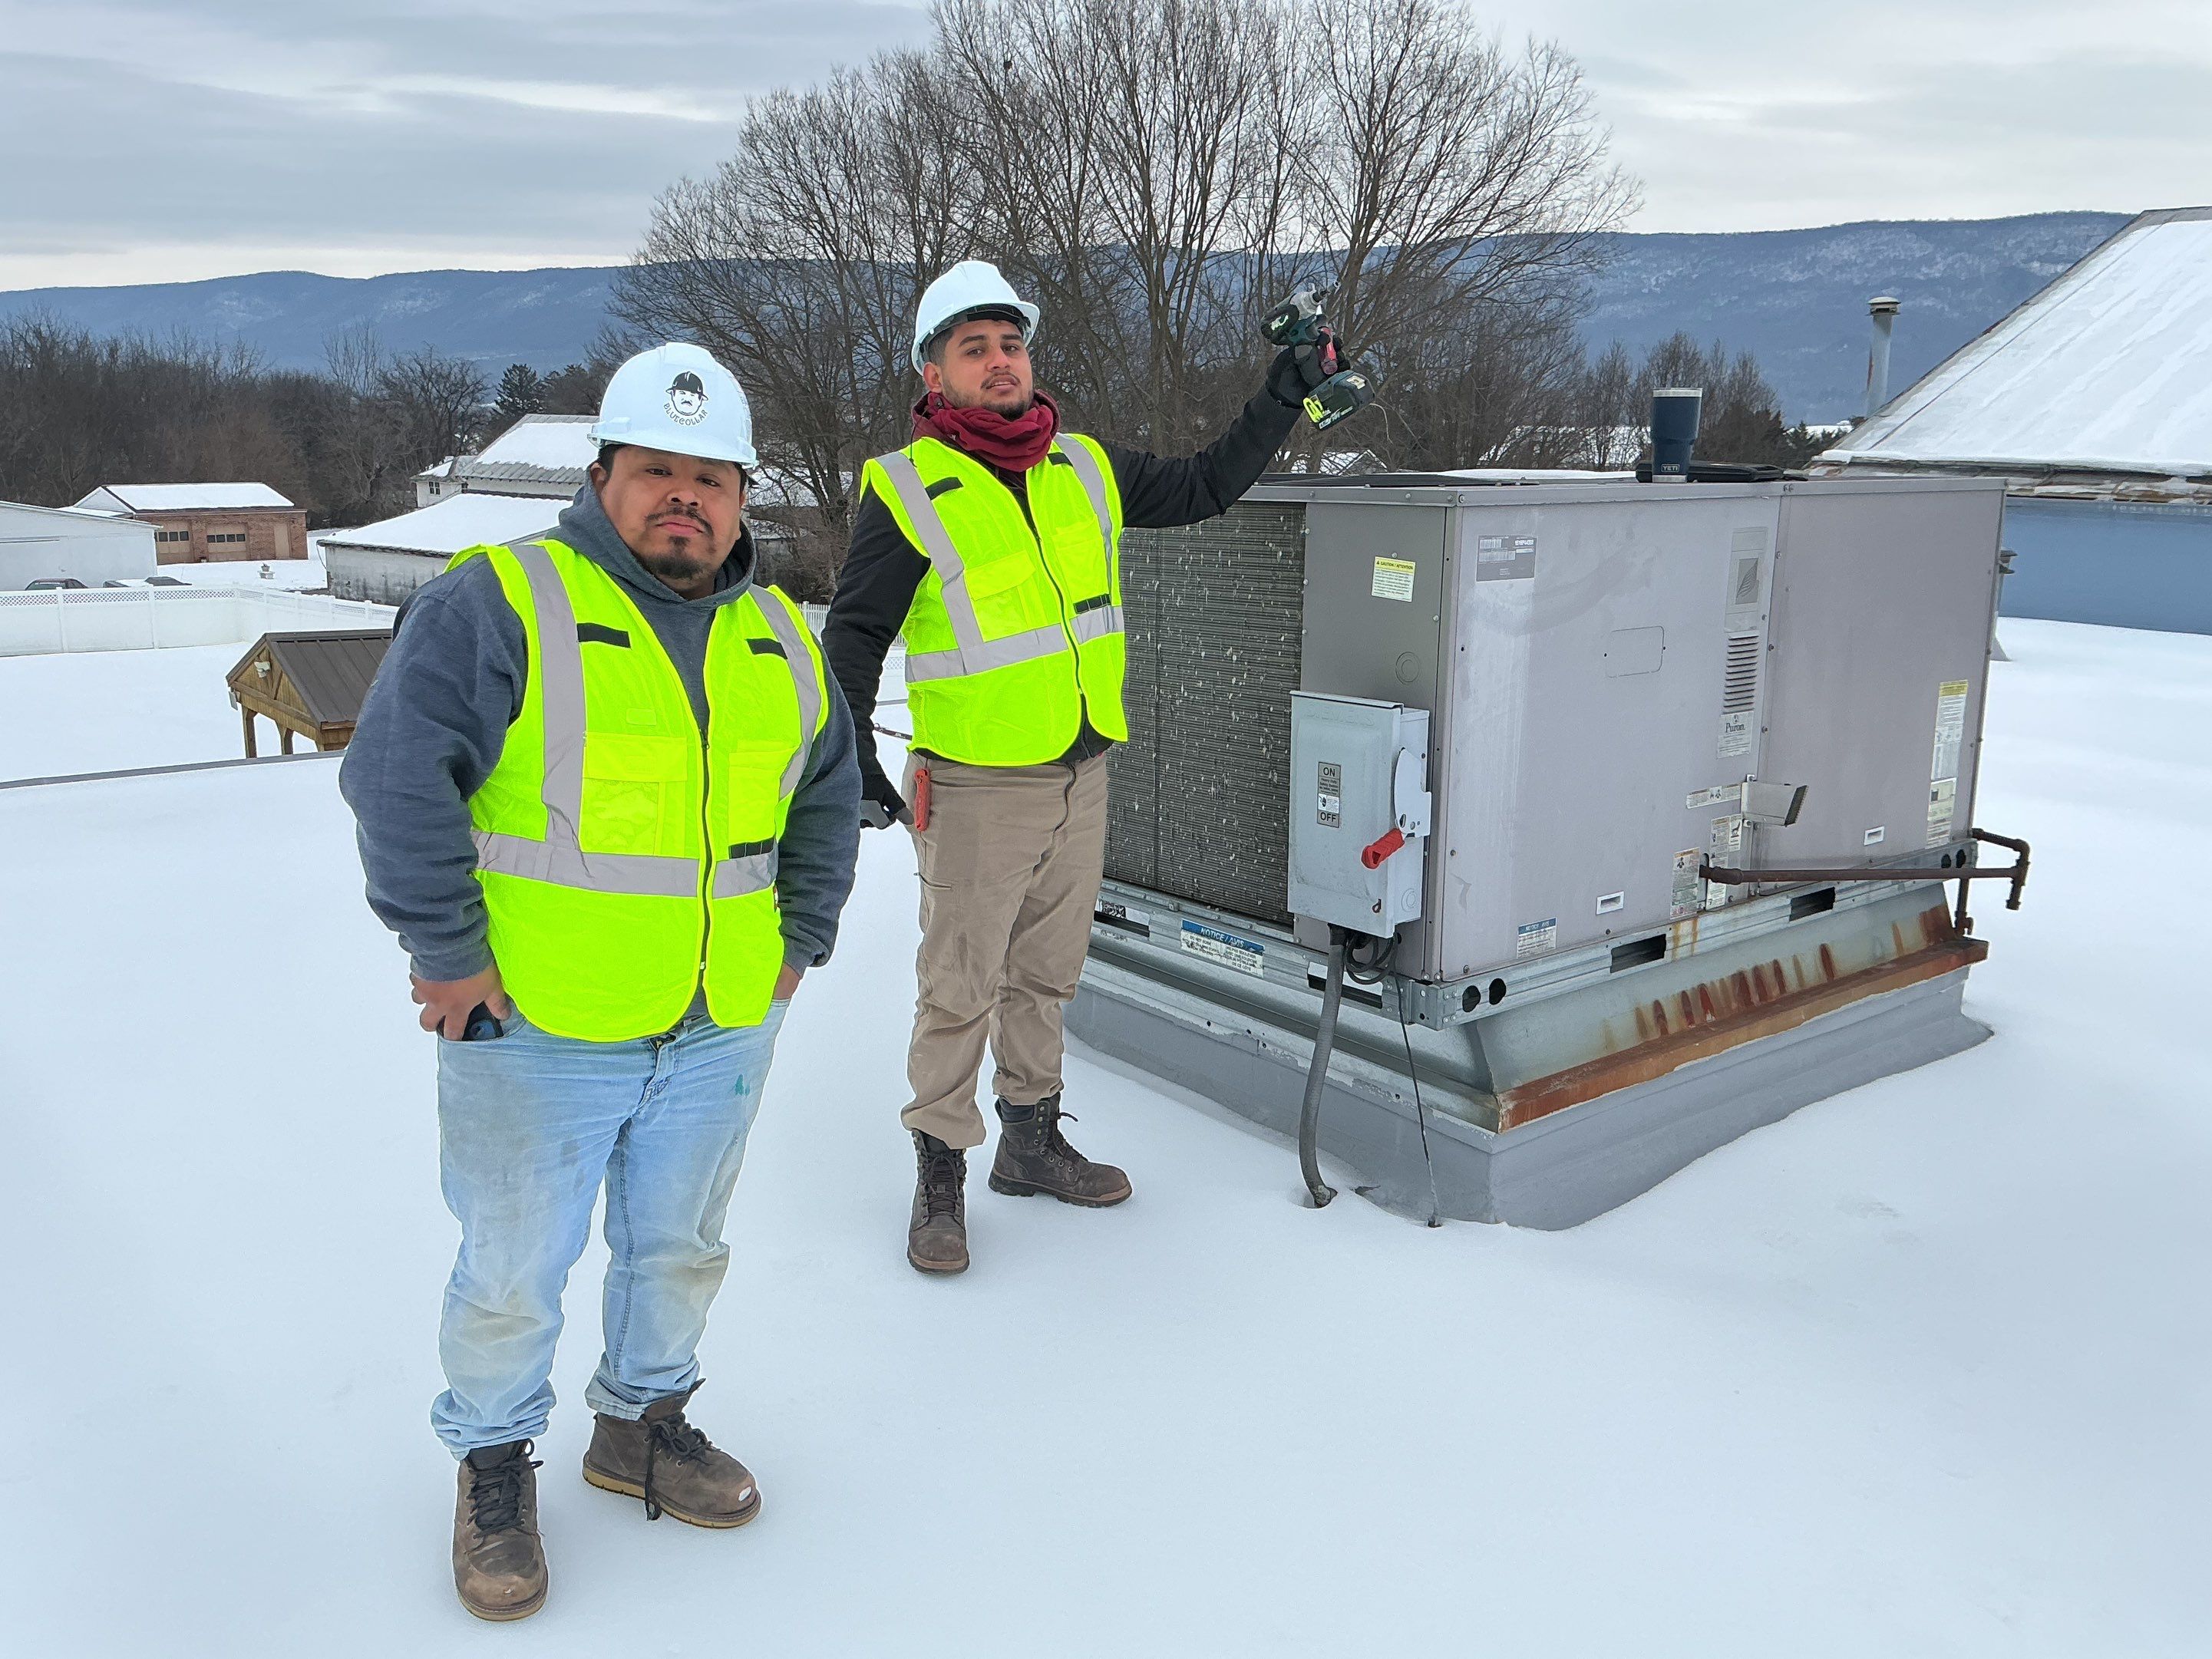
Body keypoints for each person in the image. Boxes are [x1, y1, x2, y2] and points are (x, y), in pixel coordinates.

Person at [339, 342, 860, 1621]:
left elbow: (827, 793)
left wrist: (804, 932)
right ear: (603, 476)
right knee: (515, 1264)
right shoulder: (499, 600)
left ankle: (641, 1422)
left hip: (719, 1017)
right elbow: (397, 778)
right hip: (536, 1020)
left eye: (710, 479)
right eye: (656, 473)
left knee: (680, 1246)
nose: (684, 498)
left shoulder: (777, 630)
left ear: (744, 496)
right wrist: (448, 955)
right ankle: (493, 1462)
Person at [822, 259, 1342, 1275]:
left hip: (1079, 770)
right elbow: (853, 634)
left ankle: (1029, 1142)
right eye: (974, 347)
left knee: (1047, 974)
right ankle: (940, 1175)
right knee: (958, 985)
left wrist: (1281, 396)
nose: (1000, 361)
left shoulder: (1083, 468)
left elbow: (1201, 486)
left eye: (1010, 343)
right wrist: (849, 757)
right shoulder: (909, 489)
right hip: (974, 786)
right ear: (933, 375)